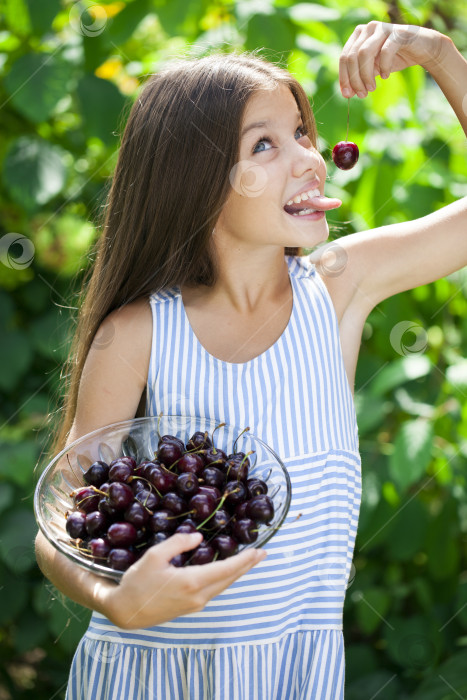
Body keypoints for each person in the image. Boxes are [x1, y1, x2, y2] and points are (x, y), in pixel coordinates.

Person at [34, 19, 467, 700]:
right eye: (264, 143)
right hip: (150, 678)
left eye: (301, 133)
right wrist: (112, 600)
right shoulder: (140, 333)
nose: (307, 158)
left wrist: (440, 55)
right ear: (195, 179)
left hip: (291, 677)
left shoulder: (336, 288)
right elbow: (63, 524)